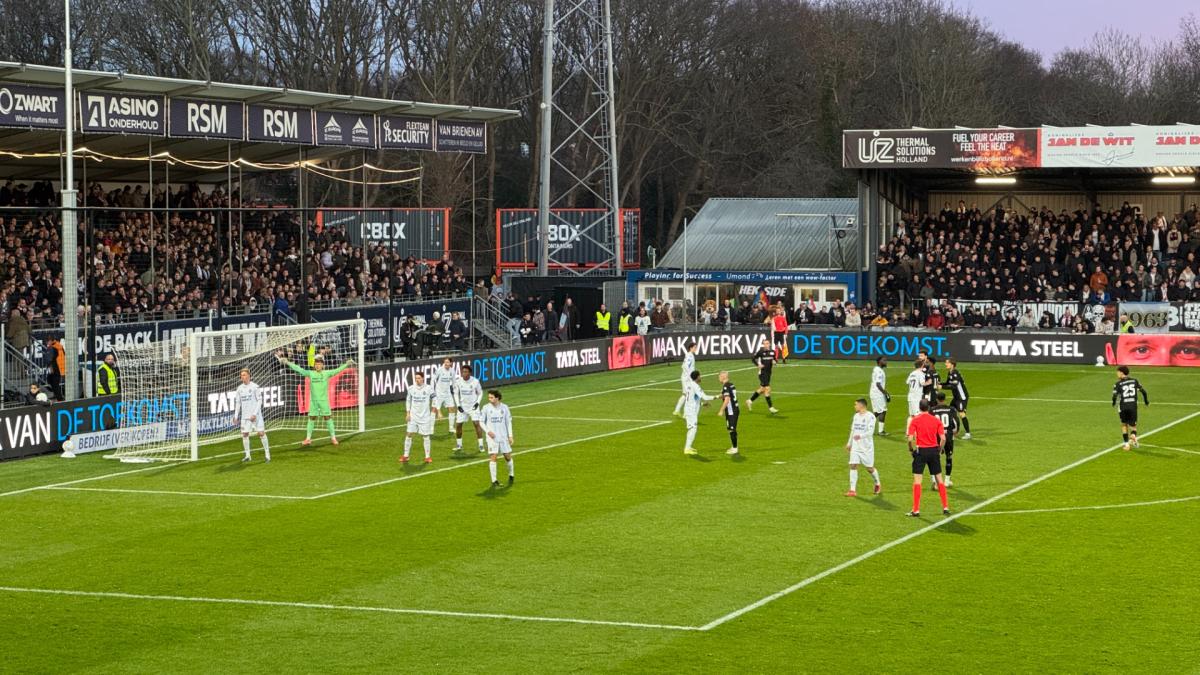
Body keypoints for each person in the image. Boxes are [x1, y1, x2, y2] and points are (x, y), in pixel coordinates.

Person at [278, 351, 354, 446]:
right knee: (311, 418)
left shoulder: (327, 373)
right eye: (316, 364)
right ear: (314, 365)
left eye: (319, 364)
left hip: (324, 401)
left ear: (322, 365)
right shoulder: (311, 373)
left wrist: (346, 364)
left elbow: (337, 370)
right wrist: (287, 362)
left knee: (327, 418)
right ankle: (308, 439)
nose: (317, 366)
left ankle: (333, 438)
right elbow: (299, 369)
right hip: (313, 401)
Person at [906, 399, 950, 517]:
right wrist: (939, 449)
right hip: (934, 451)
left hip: (921, 451)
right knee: (939, 479)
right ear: (929, 407)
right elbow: (943, 438)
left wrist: (911, 449)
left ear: (919, 407)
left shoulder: (915, 420)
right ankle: (945, 507)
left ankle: (916, 510)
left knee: (917, 481)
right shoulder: (936, 420)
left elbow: (910, 439)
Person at [844, 398, 882, 497]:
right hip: (856, 446)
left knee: (869, 468)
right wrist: (849, 443)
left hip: (866, 447)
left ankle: (877, 483)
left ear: (861, 405)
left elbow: (870, 432)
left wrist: (860, 436)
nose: (854, 406)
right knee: (853, 465)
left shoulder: (871, 417)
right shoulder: (856, 416)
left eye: (856, 404)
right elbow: (853, 431)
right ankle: (852, 490)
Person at [233, 368, 271, 463]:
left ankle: (267, 455)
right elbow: (238, 403)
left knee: (261, 433)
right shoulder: (239, 389)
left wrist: (254, 414)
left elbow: (259, 401)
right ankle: (247, 456)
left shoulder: (255, 387)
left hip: (256, 416)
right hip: (245, 417)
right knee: (245, 434)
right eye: (241, 375)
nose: (242, 377)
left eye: (244, 375)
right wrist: (236, 416)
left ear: (249, 376)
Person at [481, 389, 515, 487]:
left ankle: (511, 474)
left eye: (491, 397)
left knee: (507, 456)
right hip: (492, 438)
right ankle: (494, 480)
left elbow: (508, 422)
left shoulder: (505, 408)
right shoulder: (486, 408)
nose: (489, 399)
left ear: (497, 398)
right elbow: (481, 421)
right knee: (493, 457)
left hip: (503, 436)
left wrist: (510, 436)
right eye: (489, 397)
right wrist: (488, 431)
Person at [1112, 365, 1150, 451]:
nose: (1117, 374)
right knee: (1133, 426)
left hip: (1123, 406)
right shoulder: (1134, 381)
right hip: (1133, 406)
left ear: (1121, 373)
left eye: (1117, 372)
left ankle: (1126, 445)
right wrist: (1146, 402)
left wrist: (1113, 403)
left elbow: (1114, 396)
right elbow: (1144, 392)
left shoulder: (1118, 384)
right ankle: (1133, 435)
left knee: (1124, 425)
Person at [401, 371, 436, 464]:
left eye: (419, 378)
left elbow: (435, 399)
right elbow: (408, 401)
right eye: (416, 378)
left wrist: (433, 410)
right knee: (409, 434)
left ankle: (427, 457)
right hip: (413, 416)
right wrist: (408, 413)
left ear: (423, 378)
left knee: (426, 436)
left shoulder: (429, 388)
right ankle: (405, 455)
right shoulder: (411, 388)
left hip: (425, 417)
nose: (417, 380)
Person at [453, 364, 486, 455]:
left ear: (470, 373)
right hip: (462, 406)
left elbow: (480, 393)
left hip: (473, 406)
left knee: (476, 424)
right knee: (458, 425)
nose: (464, 373)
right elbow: (456, 394)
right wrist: (458, 405)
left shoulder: (475, 381)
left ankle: (481, 445)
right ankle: (459, 445)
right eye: (463, 372)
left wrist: (477, 403)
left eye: (466, 372)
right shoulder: (458, 381)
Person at [930, 392, 960, 488]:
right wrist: (955, 432)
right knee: (949, 457)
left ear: (937, 400)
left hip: (936, 437)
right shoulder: (951, 409)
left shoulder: (932, 410)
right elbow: (956, 422)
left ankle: (935, 481)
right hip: (948, 436)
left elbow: (929, 424)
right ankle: (947, 481)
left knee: (934, 459)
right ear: (945, 399)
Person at [682, 370, 715, 456]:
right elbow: (705, 397)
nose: (701, 377)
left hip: (689, 409)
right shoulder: (695, 386)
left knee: (692, 428)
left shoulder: (690, 385)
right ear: (697, 377)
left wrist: (702, 404)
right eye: (700, 376)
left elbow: (691, 399)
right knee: (693, 428)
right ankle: (687, 448)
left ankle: (688, 447)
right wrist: (717, 396)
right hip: (691, 411)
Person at [941, 358, 971, 440]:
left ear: (952, 364)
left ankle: (968, 433)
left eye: (947, 363)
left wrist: (942, 387)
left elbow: (954, 386)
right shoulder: (950, 373)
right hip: (956, 397)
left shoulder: (955, 373)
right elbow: (947, 383)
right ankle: (953, 431)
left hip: (962, 397)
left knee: (962, 414)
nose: (945, 364)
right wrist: (939, 384)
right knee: (950, 412)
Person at [747, 338, 778, 414]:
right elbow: (753, 358)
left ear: (769, 344)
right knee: (767, 389)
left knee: (762, 389)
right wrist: (758, 365)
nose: (766, 345)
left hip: (768, 373)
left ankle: (749, 401)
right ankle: (771, 407)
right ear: (763, 345)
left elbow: (775, 360)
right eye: (764, 344)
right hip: (762, 373)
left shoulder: (772, 352)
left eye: (767, 343)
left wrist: (775, 362)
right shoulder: (761, 352)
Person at [431, 357, 459, 435]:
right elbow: (432, 379)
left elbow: (454, 382)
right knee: (434, 409)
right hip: (438, 393)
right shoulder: (439, 370)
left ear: (451, 363)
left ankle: (451, 428)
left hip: (447, 393)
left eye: (447, 362)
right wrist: (432, 391)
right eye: (445, 362)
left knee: (452, 409)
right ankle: (431, 428)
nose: (446, 363)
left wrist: (455, 390)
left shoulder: (452, 371)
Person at [672, 341, 699, 417]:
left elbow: (684, 366)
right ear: (691, 348)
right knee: (689, 395)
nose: (696, 349)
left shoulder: (690, 355)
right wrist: (690, 376)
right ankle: (685, 414)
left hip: (686, 378)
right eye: (694, 347)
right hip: (687, 378)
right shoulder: (689, 356)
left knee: (685, 394)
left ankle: (677, 411)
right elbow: (685, 366)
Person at [717, 371, 740, 456]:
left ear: (723, 377)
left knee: (732, 429)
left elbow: (727, 399)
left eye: (719, 377)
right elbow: (725, 395)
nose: (718, 379)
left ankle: (735, 448)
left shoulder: (726, 386)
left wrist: (721, 410)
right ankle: (734, 447)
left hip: (731, 411)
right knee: (731, 429)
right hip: (734, 409)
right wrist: (716, 397)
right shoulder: (731, 384)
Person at [869, 356, 891, 435]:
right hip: (877, 394)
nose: (886, 362)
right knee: (882, 411)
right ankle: (880, 431)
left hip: (875, 393)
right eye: (884, 360)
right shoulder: (879, 371)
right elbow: (878, 384)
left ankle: (866, 425)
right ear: (879, 361)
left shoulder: (877, 369)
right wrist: (885, 393)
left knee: (877, 412)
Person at [904, 358, 925, 428]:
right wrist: (929, 382)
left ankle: (909, 431)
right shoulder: (921, 373)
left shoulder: (912, 373)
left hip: (910, 396)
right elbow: (922, 383)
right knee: (917, 415)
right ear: (922, 365)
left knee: (912, 415)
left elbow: (907, 382)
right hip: (916, 397)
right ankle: (917, 431)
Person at [44, 336, 66, 400]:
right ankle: (57, 395)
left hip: (55, 368)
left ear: (50, 341)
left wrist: (49, 366)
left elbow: (49, 359)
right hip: (59, 367)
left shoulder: (52, 347)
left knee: (54, 383)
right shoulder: (59, 346)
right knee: (52, 381)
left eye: (47, 341)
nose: (46, 343)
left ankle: (59, 398)